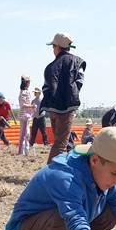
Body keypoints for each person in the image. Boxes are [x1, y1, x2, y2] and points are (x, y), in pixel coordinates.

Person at [41, 33, 86, 163]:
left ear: (57, 47)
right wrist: (73, 93)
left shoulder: (50, 67)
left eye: (53, 46)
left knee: (60, 141)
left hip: (53, 108)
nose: (52, 49)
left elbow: (46, 88)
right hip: (68, 107)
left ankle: (60, 167)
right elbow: (80, 81)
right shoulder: (77, 61)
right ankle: (52, 170)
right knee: (61, 143)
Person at [17, 76, 36, 155]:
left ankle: (24, 150)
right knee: (25, 133)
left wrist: (31, 108)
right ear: (27, 83)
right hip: (24, 115)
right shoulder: (23, 92)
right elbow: (23, 104)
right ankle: (22, 151)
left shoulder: (24, 92)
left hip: (26, 114)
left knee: (26, 133)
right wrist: (32, 106)